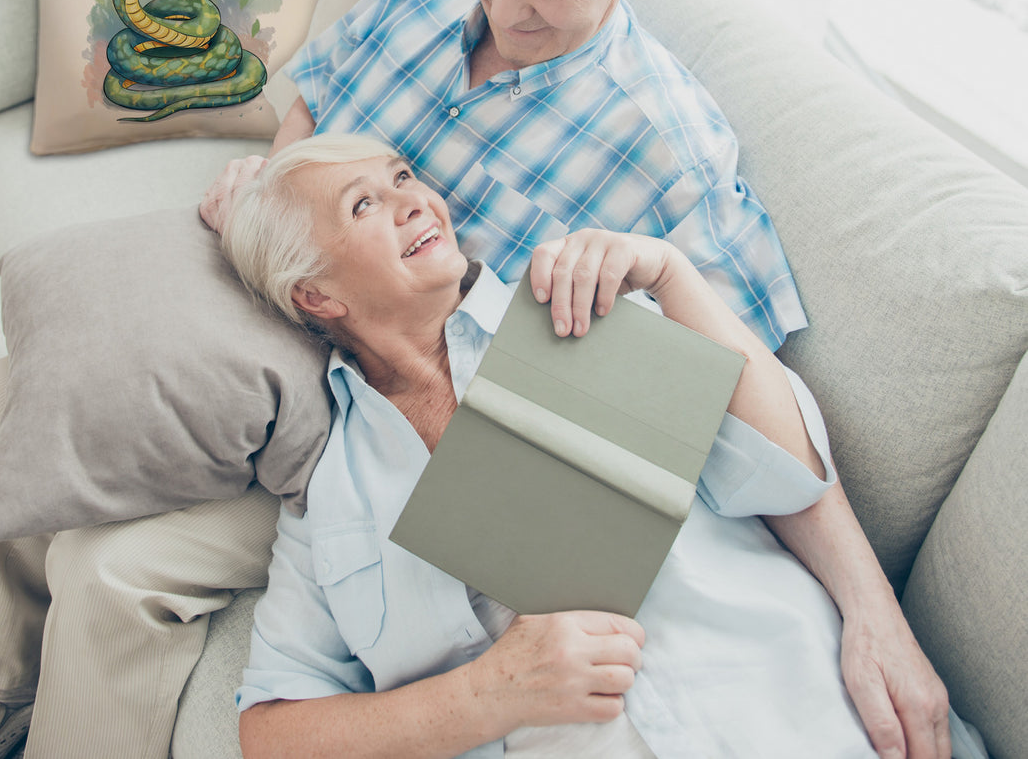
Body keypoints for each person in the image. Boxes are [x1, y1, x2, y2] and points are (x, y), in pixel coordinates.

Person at [203, 0, 950, 758]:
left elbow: (759, 431)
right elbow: (312, 98)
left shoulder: (645, 205)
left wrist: (872, 614)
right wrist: (276, 198)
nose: (503, 7)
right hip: (308, 379)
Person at [220, 133, 974, 759]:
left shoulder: (575, 306)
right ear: (316, 295)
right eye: (364, 204)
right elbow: (272, 733)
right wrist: (488, 694)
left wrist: (673, 276)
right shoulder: (330, 497)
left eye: (403, 177)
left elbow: (786, 473)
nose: (415, 199)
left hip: (799, 712)